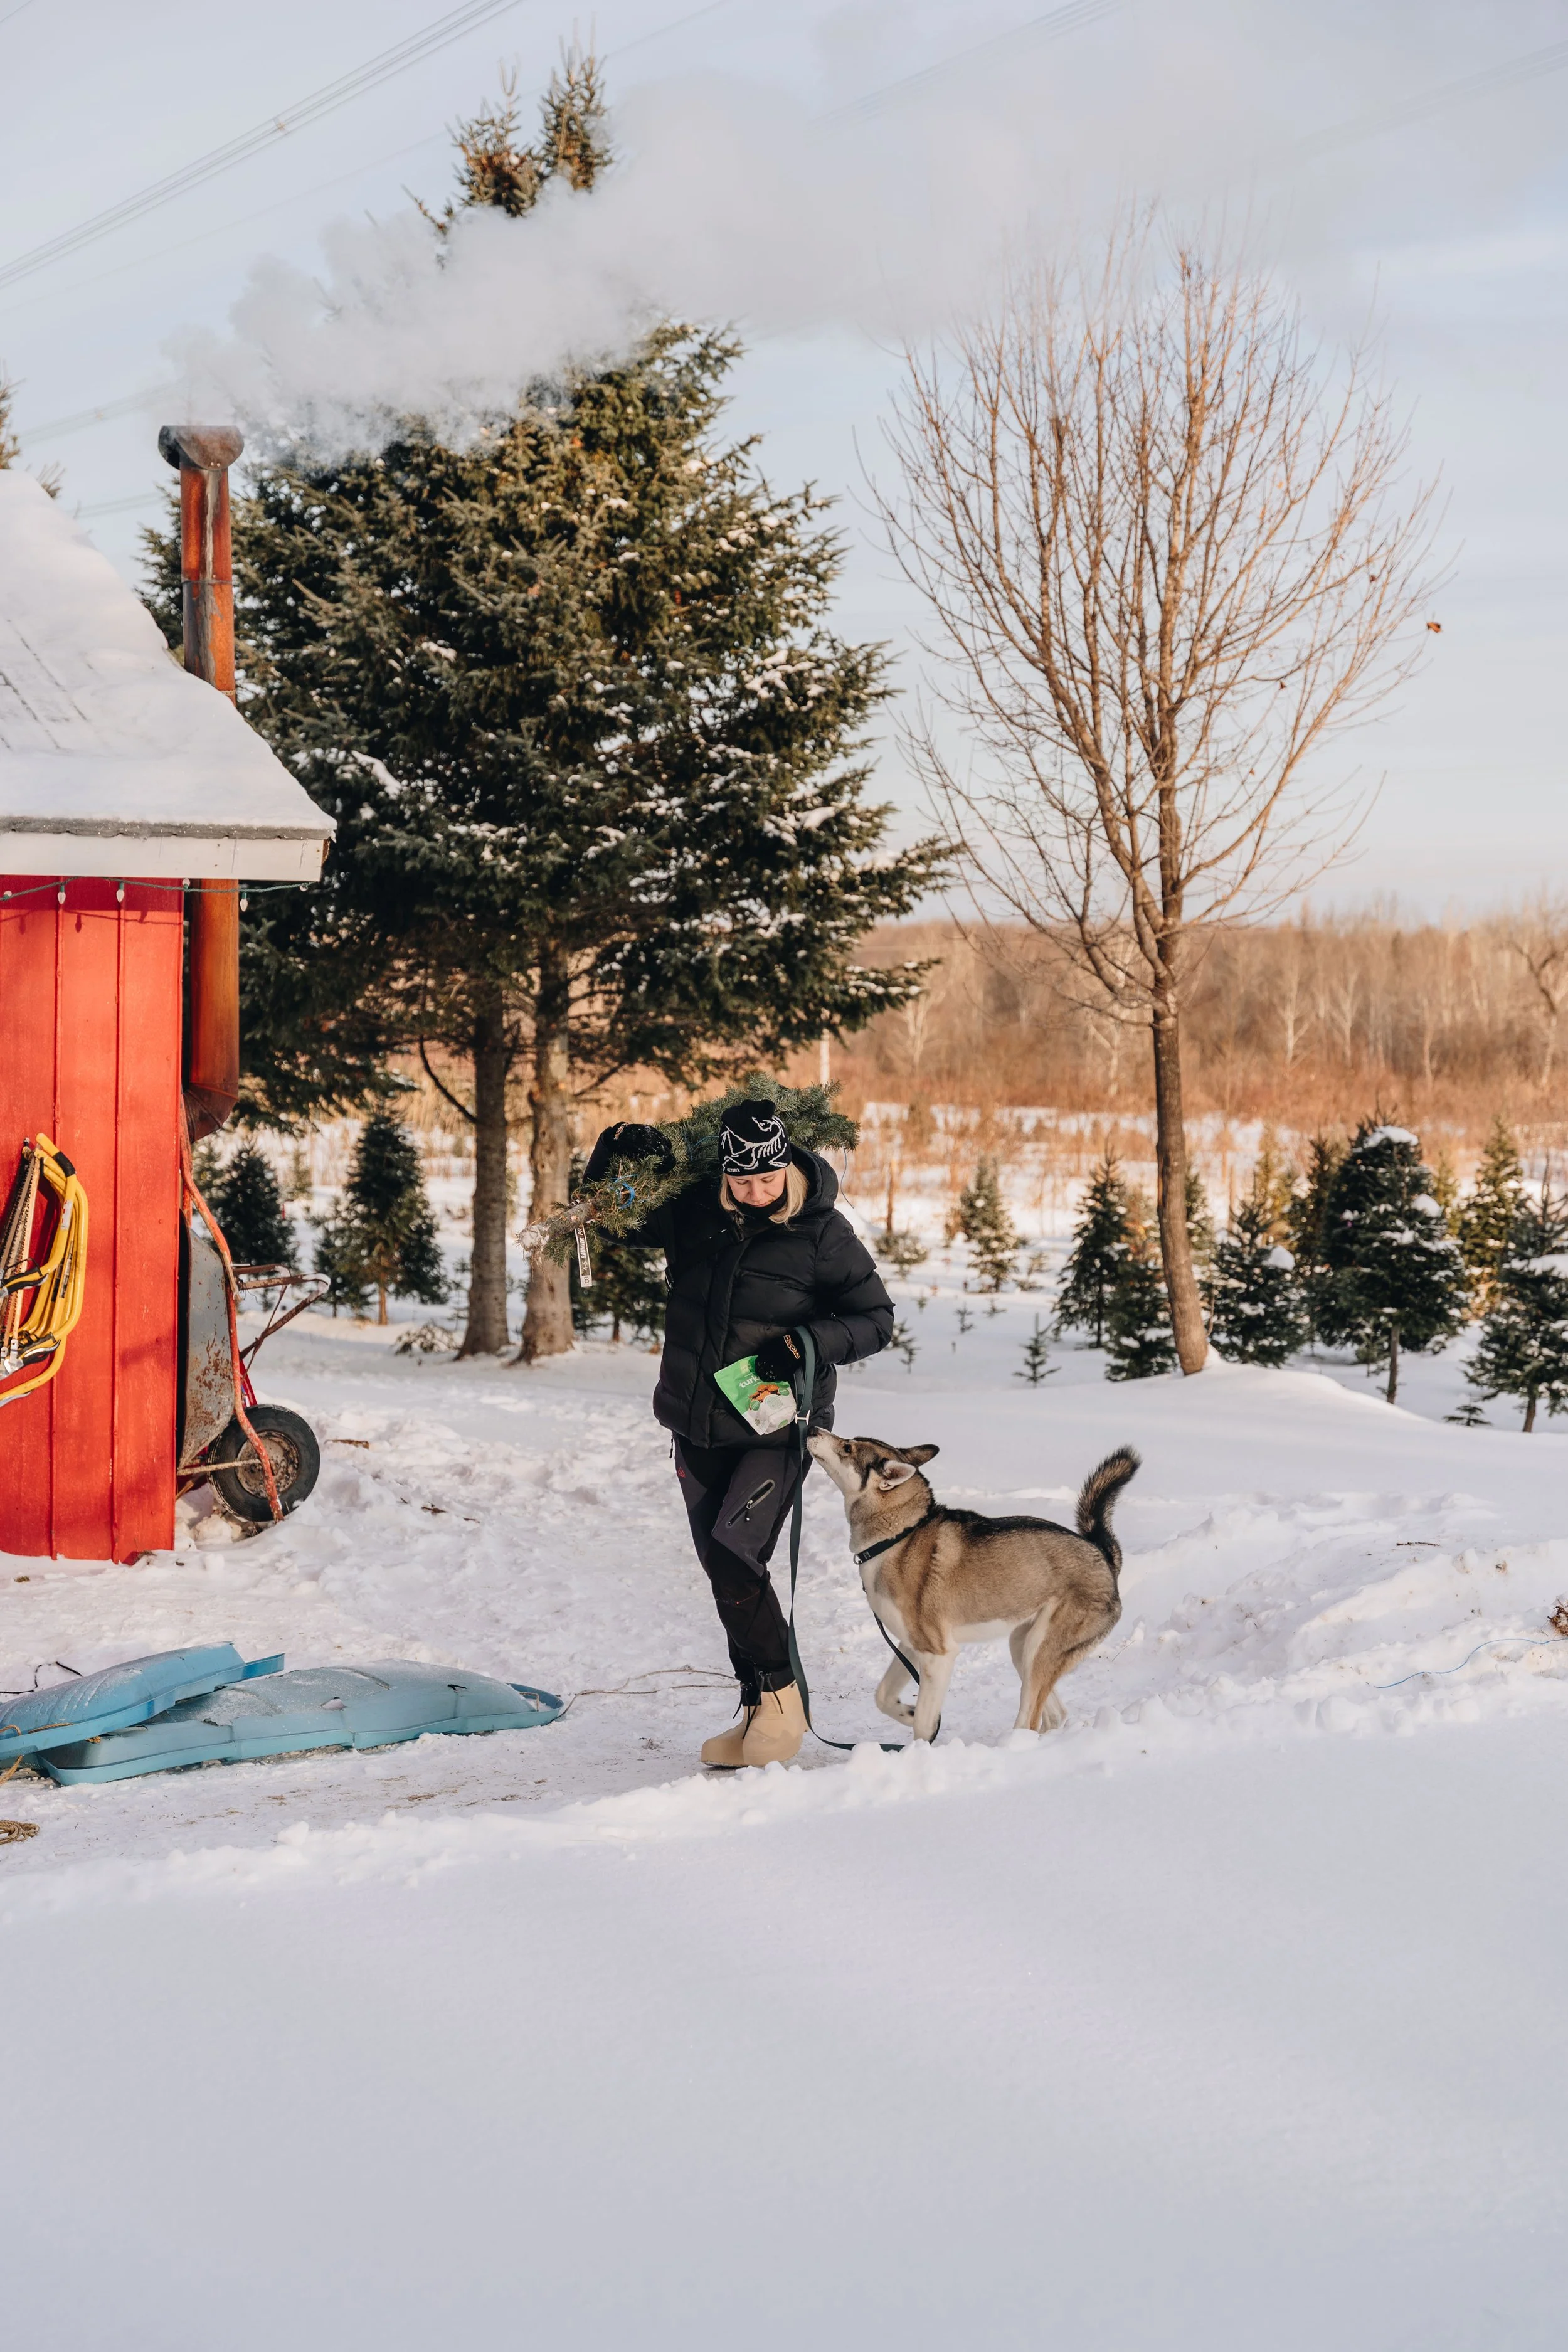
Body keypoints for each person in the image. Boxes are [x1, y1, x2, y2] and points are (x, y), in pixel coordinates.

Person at [583, 1099, 894, 1768]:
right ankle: (755, 1705)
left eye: (767, 1180)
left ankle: (783, 1703)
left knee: (733, 1549)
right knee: (726, 1570)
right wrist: (614, 1151)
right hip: (696, 1421)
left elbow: (875, 1318)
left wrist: (807, 1342)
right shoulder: (696, 1210)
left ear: (785, 1165)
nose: (756, 1194)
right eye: (742, 1183)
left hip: (775, 1426)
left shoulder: (821, 1233)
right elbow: (609, 1221)